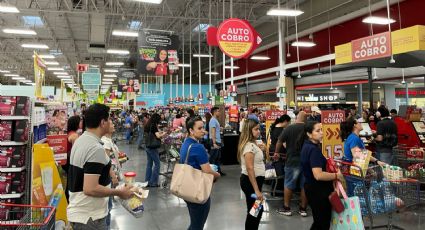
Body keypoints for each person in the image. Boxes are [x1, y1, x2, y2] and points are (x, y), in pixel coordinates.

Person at [67, 104, 133, 230]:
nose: (110, 122)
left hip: (81, 213)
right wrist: (119, 192)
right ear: (103, 122)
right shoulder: (94, 148)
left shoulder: (81, 140)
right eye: (108, 119)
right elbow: (90, 188)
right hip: (90, 218)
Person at [300, 121, 344, 230]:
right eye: (318, 131)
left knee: (319, 222)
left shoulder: (307, 146)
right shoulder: (313, 150)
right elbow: (318, 175)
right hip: (319, 191)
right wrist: (336, 175)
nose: (322, 133)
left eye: (322, 130)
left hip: (312, 188)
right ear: (309, 134)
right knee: (322, 223)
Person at [179, 116, 220, 230]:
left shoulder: (186, 143)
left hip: (187, 188)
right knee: (198, 225)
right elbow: (207, 171)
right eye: (199, 128)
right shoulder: (198, 147)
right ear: (191, 130)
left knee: (194, 222)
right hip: (198, 191)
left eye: (203, 127)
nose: (203, 131)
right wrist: (218, 175)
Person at [340, 117, 386, 196]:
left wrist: (376, 161)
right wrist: (370, 170)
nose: (361, 124)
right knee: (357, 197)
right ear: (355, 125)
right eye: (358, 122)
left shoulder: (353, 137)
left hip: (352, 172)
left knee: (356, 197)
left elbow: (361, 154)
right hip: (354, 173)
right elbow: (358, 157)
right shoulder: (354, 138)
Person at [276, 111, 308, 217]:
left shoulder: (290, 128)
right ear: (305, 119)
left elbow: (279, 141)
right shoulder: (309, 128)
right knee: (304, 186)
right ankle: (303, 209)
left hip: (292, 161)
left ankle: (287, 208)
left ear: (297, 118)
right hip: (306, 162)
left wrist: (276, 152)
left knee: (289, 184)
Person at [238, 118, 266, 230]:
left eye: (259, 129)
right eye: (256, 129)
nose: (258, 131)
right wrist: (256, 190)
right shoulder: (249, 146)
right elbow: (250, 168)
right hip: (250, 182)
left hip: (253, 182)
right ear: (249, 131)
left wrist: (262, 149)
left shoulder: (253, 144)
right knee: (255, 210)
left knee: (254, 210)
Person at [101, 122, 121, 230]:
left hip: (112, 174)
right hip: (109, 176)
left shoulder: (109, 140)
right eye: (111, 124)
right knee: (107, 206)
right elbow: (106, 162)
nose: (114, 125)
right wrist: (113, 176)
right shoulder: (105, 141)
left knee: (109, 204)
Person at [144, 113, 167, 187]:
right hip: (153, 147)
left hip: (147, 146)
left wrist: (159, 132)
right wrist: (164, 133)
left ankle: (147, 181)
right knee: (157, 164)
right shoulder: (153, 125)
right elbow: (158, 136)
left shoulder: (148, 125)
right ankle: (153, 182)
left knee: (149, 164)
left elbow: (153, 134)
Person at [63, 115, 82, 202]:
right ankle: (69, 197)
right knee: (71, 179)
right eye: (80, 121)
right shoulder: (74, 135)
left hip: (66, 160)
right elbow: (76, 151)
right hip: (70, 161)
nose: (81, 123)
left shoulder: (69, 133)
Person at [209, 106, 225, 176]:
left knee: (217, 157)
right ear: (215, 112)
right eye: (218, 111)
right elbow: (213, 132)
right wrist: (214, 143)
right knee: (213, 158)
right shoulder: (213, 120)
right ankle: (213, 172)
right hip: (215, 141)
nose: (220, 112)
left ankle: (218, 171)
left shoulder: (215, 120)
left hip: (217, 141)